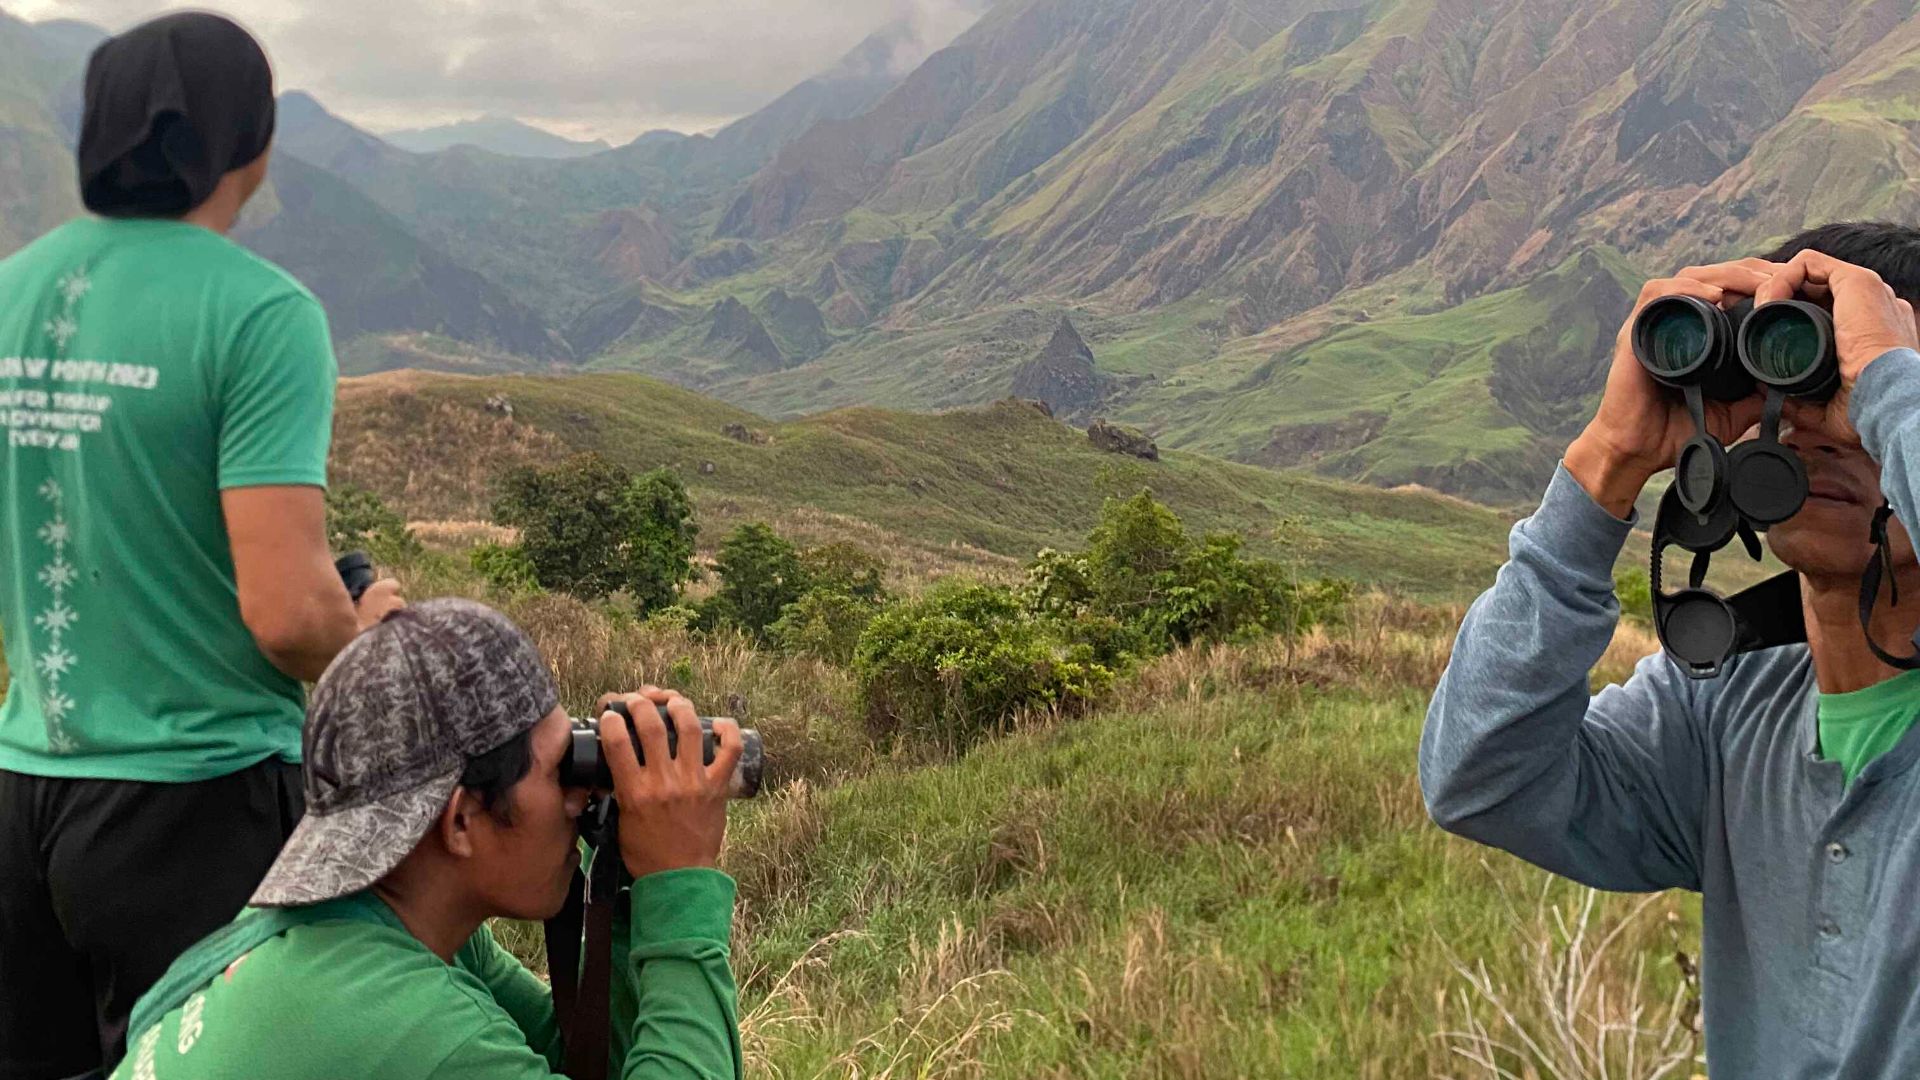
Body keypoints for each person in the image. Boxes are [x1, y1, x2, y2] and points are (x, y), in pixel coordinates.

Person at [0, 13, 402, 1078]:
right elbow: (288, 616)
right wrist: (365, 630)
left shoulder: (8, 293)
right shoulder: (261, 315)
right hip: (198, 801)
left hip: (20, 784)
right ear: (251, 145)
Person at [1423, 221, 1920, 1077]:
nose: (1821, 433)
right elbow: (1480, 777)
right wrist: (1607, 460)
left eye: (1864, 395)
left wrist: (1884, 380)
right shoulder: (1722, 705)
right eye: (1789, 376)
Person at [112, 598, 746, 1080]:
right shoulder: (404, 1023)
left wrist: (629, 881)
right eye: (562, 772)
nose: (581, 799)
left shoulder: (356, 930)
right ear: (460, 821)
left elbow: (575, 1057)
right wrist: (679, 880)